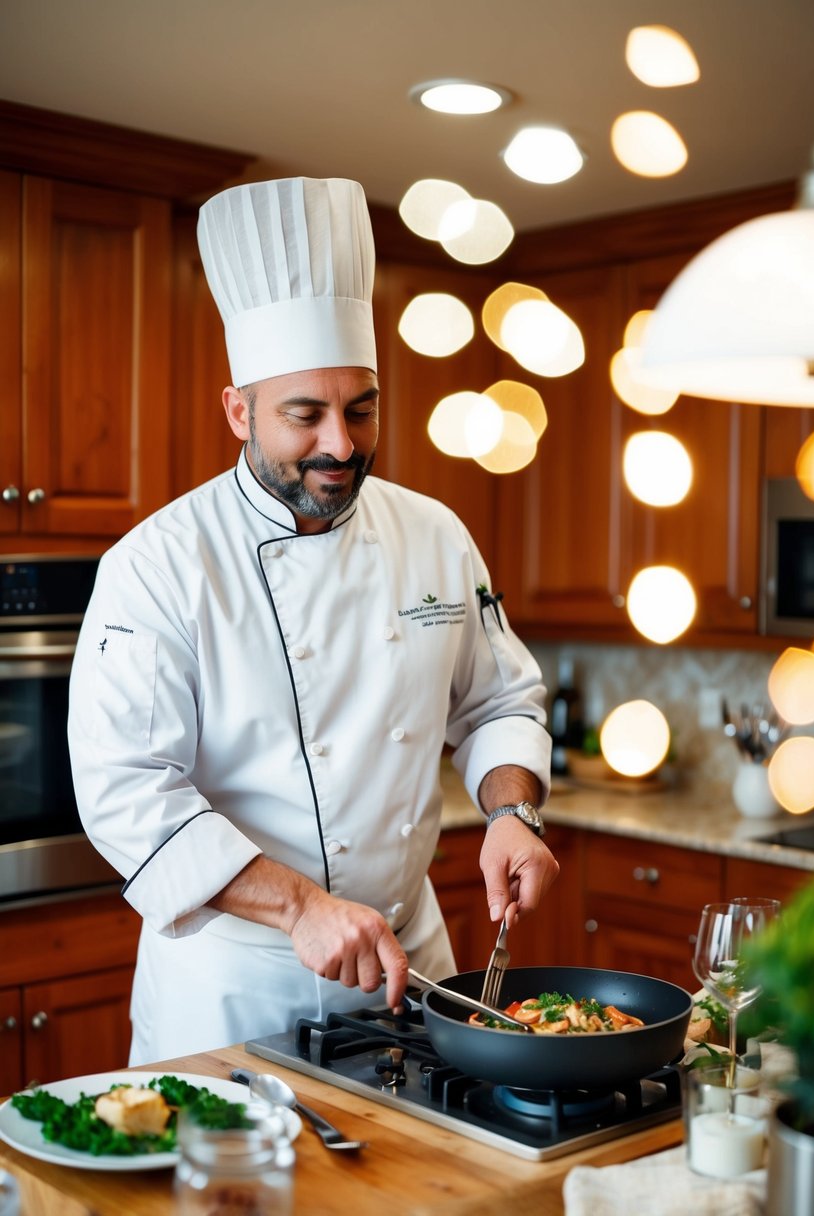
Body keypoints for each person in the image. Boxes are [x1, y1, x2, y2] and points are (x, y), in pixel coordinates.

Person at [67, 177, 557, 1065]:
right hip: (232, 985)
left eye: (361, 408)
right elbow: (126, 792)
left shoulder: (434, 535)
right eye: (305, 415)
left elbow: (497, 703)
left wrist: (511, 813)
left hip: (413, 965)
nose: (340, 442)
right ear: (239, 410)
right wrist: (299, 907)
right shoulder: (159, 564)